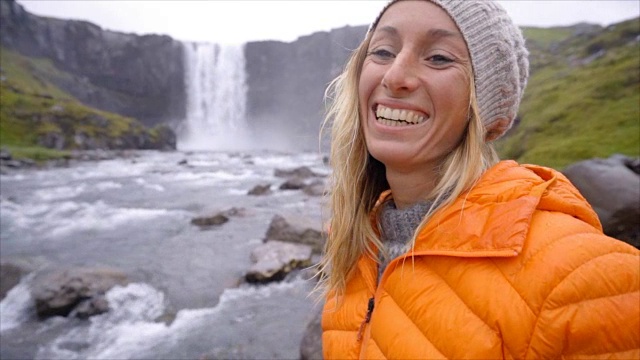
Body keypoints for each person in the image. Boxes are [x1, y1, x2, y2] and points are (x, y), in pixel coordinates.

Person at [316, 0, 640, 358]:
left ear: (489, 114)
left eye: (439, 57)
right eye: (382, 51)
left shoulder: (580, 276)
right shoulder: (357, 247)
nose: (394, 76)